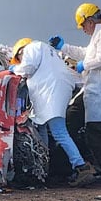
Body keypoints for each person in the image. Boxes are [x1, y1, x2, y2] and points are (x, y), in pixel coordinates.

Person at [49, 3, 101, 184]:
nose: (83, 30)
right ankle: (73, 167)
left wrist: (84, 65)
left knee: (94, 133)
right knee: (74, 123)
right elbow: (88, 53)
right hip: (94, 90)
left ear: (90, 21)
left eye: (83, 26)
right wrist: (64, 47)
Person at [9, 38, 94, 186]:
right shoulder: (48, 52)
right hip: (56, 90)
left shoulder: (31, 48)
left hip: (51, 93)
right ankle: (43, 168)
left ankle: (81, 166)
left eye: (19, 59)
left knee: (59, 131)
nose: (21, 61)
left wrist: (14, 69)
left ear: (20, 51)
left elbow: (27, 68)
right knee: (41, 127)